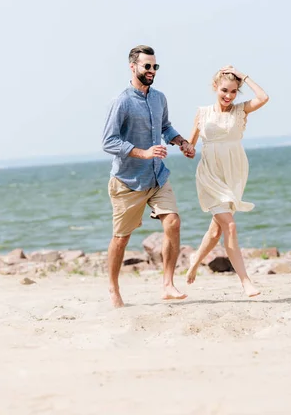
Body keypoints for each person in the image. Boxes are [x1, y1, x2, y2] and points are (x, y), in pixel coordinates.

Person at [102, 45, 195, 308]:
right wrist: (143, 153)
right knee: (121, 239)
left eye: (155, 66)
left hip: (157, 177)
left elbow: (165, 126)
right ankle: (113, 288)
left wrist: (180, 141)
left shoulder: (159, 98)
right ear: (133, 67)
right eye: (147, 66)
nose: (152, 71)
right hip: (127, 182)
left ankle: (167, 285)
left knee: (173, 223)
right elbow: (108, 141)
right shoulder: (121, 102)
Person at [186, 65, 269, 297]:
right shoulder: (202, 113)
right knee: (230, 226)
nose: (228, 96)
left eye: (233, 91)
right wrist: (181, 146)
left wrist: (245, 76)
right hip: (210, 175)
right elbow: (189, 146)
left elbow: (263, 97)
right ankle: (246, 282)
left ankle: (194, 262)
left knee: (216, 231)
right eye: (224, 90)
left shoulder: (241, 111)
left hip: (234, 175)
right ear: (215, 87)